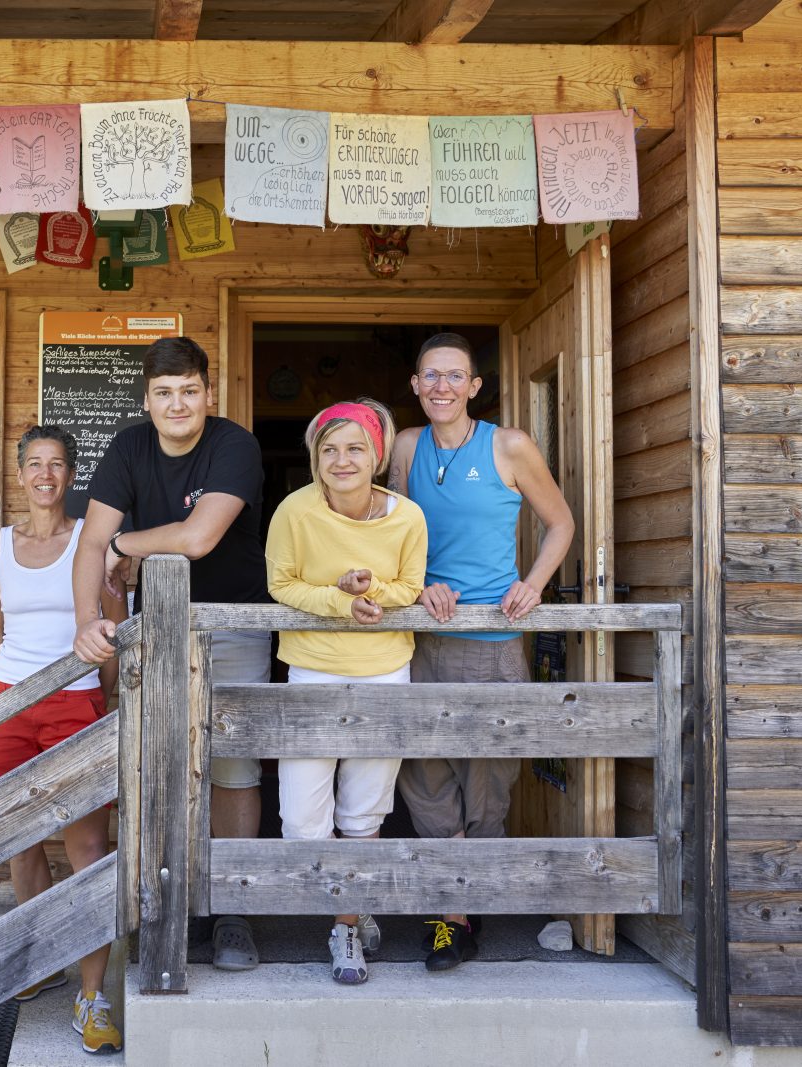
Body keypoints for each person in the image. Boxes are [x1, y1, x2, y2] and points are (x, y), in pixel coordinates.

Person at [71, 336, 270, 973]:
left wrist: (123, 546)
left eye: (189, 390)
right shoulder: (129, 444)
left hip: (232, 625)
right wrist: (86, 623)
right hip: (154, 632)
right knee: (156, 766)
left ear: (208, 393)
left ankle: (235, 912)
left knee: (232, 770)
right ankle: (167, 907)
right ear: (147, 400)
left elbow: (197, 537)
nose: (177, 403)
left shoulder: (233, 443)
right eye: (163, 393)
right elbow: (87, 544)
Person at [387, 332, 574, 971]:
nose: (441, 386)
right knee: (424, 771)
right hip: (419, 638)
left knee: (489, 783)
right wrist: (416, 583)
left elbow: (562, 523)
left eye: (454, 376)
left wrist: (533, 583)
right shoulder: (406, 447)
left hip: (493, 641)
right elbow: (388, 533)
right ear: (415, 385)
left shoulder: (509, 445)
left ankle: (460, 916)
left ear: (474, 387)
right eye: (429, 375)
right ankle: (451, 905)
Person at [266, 399, 426, 984]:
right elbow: (280, 583)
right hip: (311, 667)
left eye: (355, 447)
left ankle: (347, 925)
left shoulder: (408, 516)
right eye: (328, 449)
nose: (341, 459)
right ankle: (352, 903)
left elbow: (410, 586)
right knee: (302, 821)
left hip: (385, 668)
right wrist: (339, 596)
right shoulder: (294, 510)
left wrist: (372, 589)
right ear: (314, 457)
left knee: (365, 809)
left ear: (377, 455)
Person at [0, 426, 126, 1055]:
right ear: (20, 474)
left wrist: (92, 690)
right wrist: (17, 691)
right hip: (8, 703)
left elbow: (115, 633)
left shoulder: (92, 545)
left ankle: (92, 995)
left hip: (77, 700)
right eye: (35, 464)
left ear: (72, 475)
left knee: (89, 848)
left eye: (57, 464)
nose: (46, 474)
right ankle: (38, 961)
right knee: (19, 842)